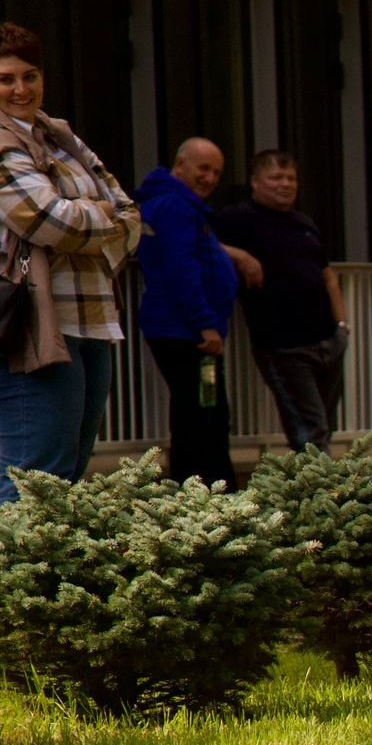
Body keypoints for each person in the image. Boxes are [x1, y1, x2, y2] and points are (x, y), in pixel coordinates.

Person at [0, 22, 142, 504]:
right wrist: (102, 217)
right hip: (30, 323)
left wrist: (88, 218)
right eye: (6, 79)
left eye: (30, 76)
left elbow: (131, 215)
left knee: (69, 474)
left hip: (91, 315)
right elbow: (45, 219)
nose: (21, 89)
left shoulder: (61, 136)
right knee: (34, 475)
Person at [215, 150, 349, 452]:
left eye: (291, 178)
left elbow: (328, 276)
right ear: (255, 182)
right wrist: (240, 256)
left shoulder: (304, 223)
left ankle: (318, 479)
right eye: (276, 177)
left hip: (328, 340)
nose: (285, 184)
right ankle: (316, 482)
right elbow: (199, 238)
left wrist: (342, 327)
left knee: (326, 426)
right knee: (309, 431)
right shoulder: (239, 218)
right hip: (284, 346)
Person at [134, 137, 240, 488]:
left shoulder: (179, 205)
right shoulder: (176, 207)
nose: (210, 178)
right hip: (188, 334)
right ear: (180, 165)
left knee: (198, 411)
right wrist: (205, 324)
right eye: (203, 169)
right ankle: (209, 490)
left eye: (217, 173)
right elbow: (182, 270)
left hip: (188, 330)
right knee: (205, 414)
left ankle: (197, 486)